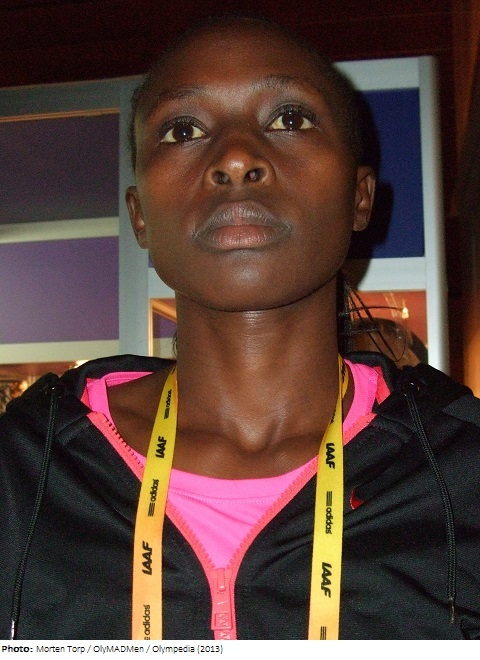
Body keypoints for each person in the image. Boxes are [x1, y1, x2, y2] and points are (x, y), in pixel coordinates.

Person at [1, 15, 480, 641]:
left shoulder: (462, 469)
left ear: (360, 198)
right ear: (140, 216)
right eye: (184, 130)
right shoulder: (24, 472)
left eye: (290, 119)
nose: (235, 157)